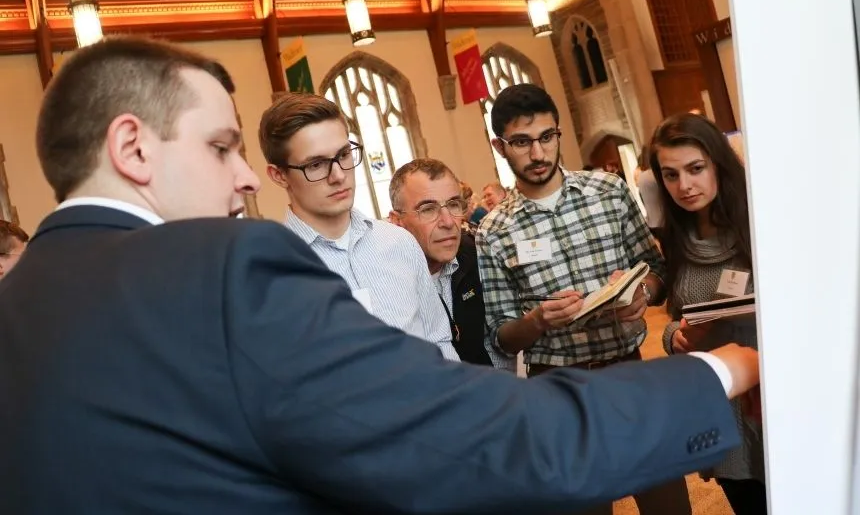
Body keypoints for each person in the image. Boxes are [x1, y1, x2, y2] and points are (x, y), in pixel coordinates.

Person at [1, 36, 759, 515]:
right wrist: (717, 373)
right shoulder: (224, 267)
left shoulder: (20, 300)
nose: (242, 180)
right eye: (222, 147)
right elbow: (475, 432)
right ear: (133, 148)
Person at [476, 83, 693, 515]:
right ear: (500, 146)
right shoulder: (493, 231)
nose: (537, 154)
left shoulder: (608, 191)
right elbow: (501, 336)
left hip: (627, 371)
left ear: (559, 133)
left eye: (546, 137)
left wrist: (642, 292)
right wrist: (538, 319)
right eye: (521, 142)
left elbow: (658, 269)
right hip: (555, 388)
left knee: (667, 502)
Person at [257, 93, 458, 361]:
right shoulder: (271, 273)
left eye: (343, 155)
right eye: (316, 164)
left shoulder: (399, 242)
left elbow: (438, 340)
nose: (338, 175)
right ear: (279, 175)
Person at [650, 113, 766, 514]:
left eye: (695, 169)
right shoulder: (678, 241)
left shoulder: (762, 225)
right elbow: (675, 318)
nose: (684, 185)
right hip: (725, 410)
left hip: (774, 398)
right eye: (671, 174)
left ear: (718, 163)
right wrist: (674, 339)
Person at [389, 158, 513, 369]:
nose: (448, 222)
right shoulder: (386, 281)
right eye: (428, 209)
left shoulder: (477, 257)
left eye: (454, 205)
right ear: (397, 221)